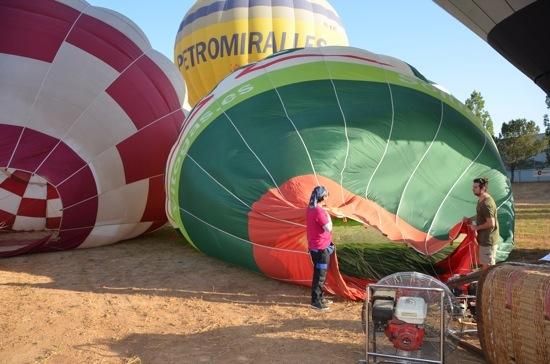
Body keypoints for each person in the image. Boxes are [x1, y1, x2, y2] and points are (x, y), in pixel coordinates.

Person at [306, 186, 335, 311]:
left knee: (320, 274)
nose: (327, 197)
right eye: (327, 195)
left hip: (316, 248)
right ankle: (316, 301)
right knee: (320, 276)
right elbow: (328, 228)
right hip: (321, 249)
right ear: (322, 197)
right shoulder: (319, 211)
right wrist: (328, 215)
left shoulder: (311, 209)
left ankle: (320, 297)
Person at [464, 177, 500, 270]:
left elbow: (491, 223)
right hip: (483, 239)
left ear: (483, 188)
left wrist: (476, 227)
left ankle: (490, 284)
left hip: (488, 241)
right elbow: (481, 216)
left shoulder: (487, 203)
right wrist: (470, 219)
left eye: (475, 187)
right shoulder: (480, 200)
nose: (473, 189)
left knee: (488, 269)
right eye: (473, 187)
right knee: (485, 267)